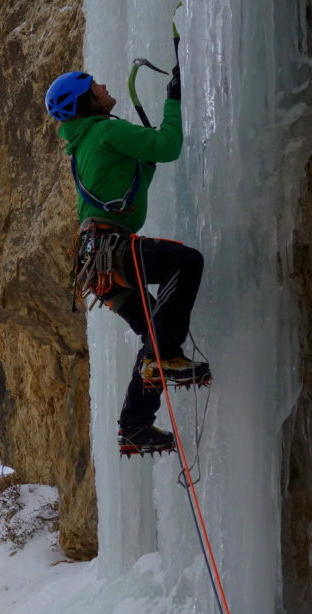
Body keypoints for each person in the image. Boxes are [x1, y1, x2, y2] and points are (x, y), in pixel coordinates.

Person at [45, 67, 210, 457]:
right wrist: (174, 99)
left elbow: (135, 179)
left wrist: (144, 157)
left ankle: (134, 425)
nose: (104, 86)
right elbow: (167, 147)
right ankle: (161, 362)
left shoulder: (86, 141)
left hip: (97, 263)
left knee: (155, 332)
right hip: (109, 249)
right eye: (95, 86)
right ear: (87, 101)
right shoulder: (103, 130)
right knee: (185, 263)